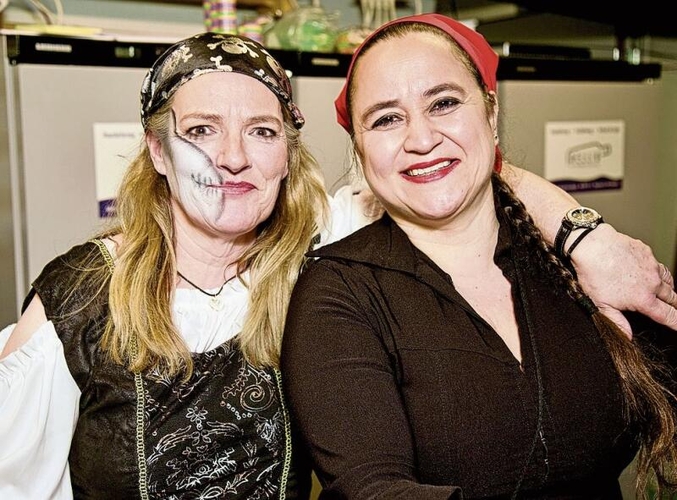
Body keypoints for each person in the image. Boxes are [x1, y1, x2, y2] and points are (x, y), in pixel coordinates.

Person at [0, 29, 674, 500]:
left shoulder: (322, 239)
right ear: (154, 150)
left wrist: (584, 235)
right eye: (200, 129)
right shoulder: (83, 294)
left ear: (286, 153)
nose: (230, 157)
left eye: (261, 131)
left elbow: (450, 170)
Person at [280, 13, 677, 499]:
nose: (421, 139)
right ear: (360, 151)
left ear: (490, 113)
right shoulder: (339, 292)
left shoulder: (580, 266)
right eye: (386, 118)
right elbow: (373, 487)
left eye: (444, 103)